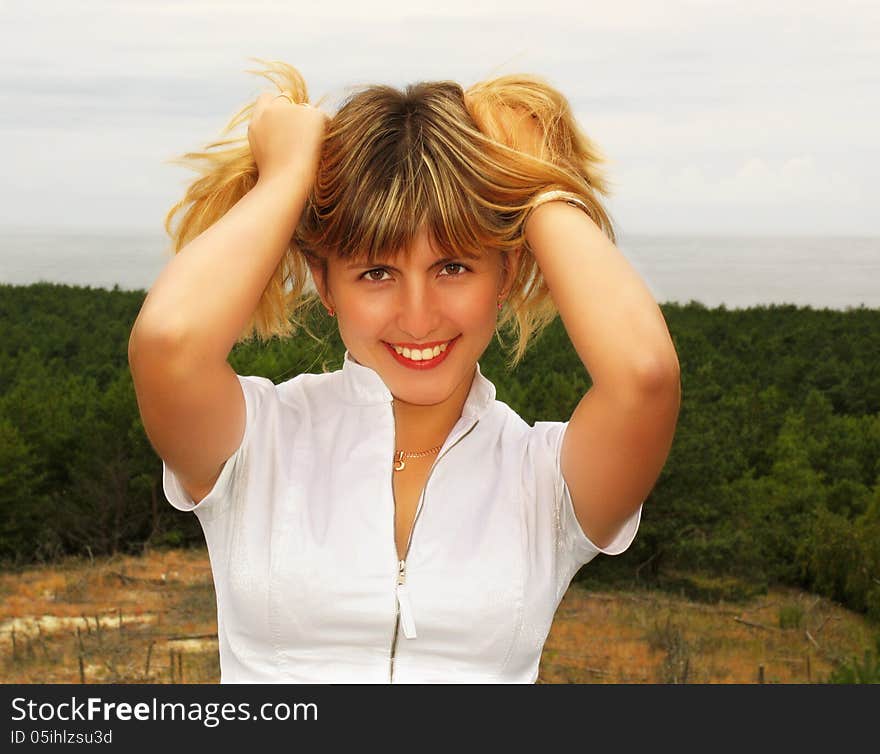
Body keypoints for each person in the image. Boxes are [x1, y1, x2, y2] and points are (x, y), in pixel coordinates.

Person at [128, 60, 681, 683]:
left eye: (453, 267)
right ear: (325, 283)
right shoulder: (256, 440)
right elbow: (168, 343)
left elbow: (645, 376)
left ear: (505, 274)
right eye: (375, 272)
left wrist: (536, 184)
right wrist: (287, 175)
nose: (418, 318)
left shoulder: (544, 479)